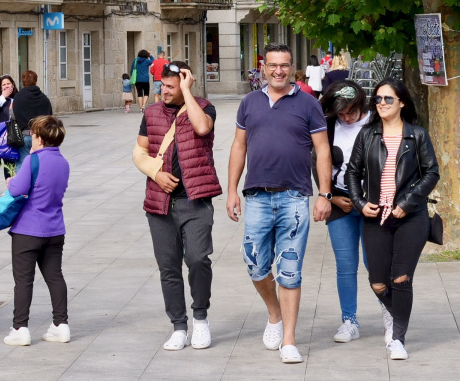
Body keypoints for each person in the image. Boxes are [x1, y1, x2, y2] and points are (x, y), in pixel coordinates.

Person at [225, 44, 332, 365]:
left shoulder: (309, 104)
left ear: (292, 67)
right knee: (254, 263)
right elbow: (238, 147)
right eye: (272, 65)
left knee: (290, 269)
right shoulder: (249, 103)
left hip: (295, 197)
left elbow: (323, 150)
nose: (278, 71)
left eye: (284, 66)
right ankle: (274, 314)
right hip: (256, 195)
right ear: (264, 67)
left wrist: (324, 194)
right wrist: (231, 190)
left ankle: (289, 339)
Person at [346, 79, 440, 360]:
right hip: (376, 218)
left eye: (388, 99)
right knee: (377, 282)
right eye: (377, 99)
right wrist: (361, 203)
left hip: (410, 218)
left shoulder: (418, 135)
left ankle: (397, 338)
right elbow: (352, 172)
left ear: (402, 103)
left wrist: (407, 204)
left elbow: (431, 173)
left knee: (401, 278)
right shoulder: (367, 135)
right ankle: (396, 313)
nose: (382, 104)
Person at [133, 62, 220, 351]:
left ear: (185, 83)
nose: (163, 91)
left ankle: (201, 319)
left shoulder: (204, 108)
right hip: (160, 203)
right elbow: (140, 151)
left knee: (197, 259)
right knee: (168, 267)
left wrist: (187, 92)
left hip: (195, 200)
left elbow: (202, 128)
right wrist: (155, 174)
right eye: (162, 85)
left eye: (170, 86)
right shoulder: (151, 113)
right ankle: (179, 326)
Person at [3, 115, 72, 347]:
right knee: (55, 276)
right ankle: (61, 325)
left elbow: (18, 188)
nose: (30, 138)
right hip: (55, 228)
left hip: (28, 228)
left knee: (23, 280)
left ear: (40, 139)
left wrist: (11, 182)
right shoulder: (63, 162)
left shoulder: (34, 160)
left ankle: (20, 327)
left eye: (32, 134)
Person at [322, 79, 372, 344]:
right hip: (340, 203)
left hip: (373, 204)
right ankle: (349, 321)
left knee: (375, 264)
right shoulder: (329, 126)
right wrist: (330, 197)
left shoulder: (376, 122)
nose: (346, 117)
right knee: (345, 266)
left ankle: (390, 315)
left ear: (360, 103)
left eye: (350, 111)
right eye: (340, 112)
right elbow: (319, 162)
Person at [11, 71, 53, 169]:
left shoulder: (18, 97)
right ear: (36, 81)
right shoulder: (43, 98)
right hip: (40, 137)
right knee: (40, 165)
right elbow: (50, 117)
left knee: (22, 165)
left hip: (24, 135)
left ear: (23, 82)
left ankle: (22, 184)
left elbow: (13, 117)